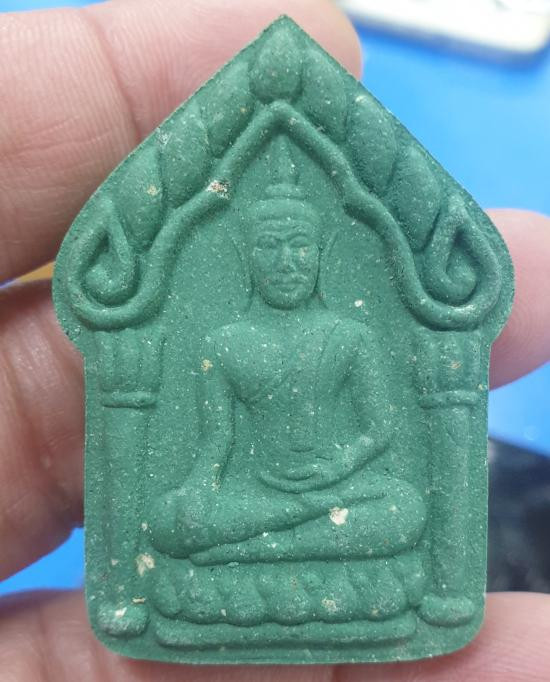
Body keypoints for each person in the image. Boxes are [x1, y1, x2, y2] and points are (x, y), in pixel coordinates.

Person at [1, 0, 549, 679]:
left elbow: (379, 429)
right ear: (249, 258)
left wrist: (340, 468)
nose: (287, 263)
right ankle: (267, 556)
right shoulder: (226, 343)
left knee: (404, 511)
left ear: (319, 256)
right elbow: (214, 449)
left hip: (340, 490)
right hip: (255, 496)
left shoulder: (349, 335)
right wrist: (204, 497)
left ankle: (255, 563)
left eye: (299, 249)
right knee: (171, 522)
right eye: (271, 248)